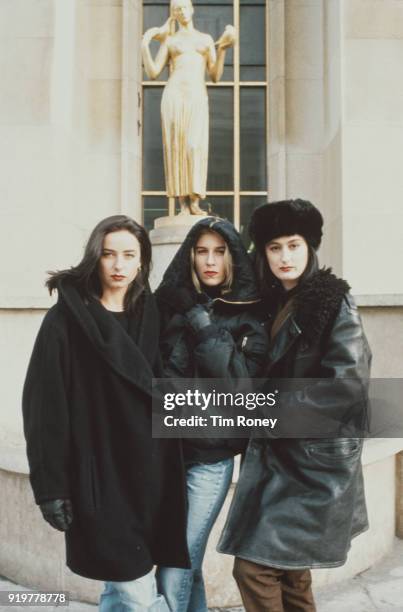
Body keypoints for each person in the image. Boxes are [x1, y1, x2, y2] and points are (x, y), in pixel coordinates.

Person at [22, 215, 189, 611]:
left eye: (129, 255)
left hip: (152, 475)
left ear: (142, 261)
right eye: (109, 255)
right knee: (136, 589)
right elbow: (43, 408)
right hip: (100, 478)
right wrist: (51, 488)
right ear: (94, 259)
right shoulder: (65, 321)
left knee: (121, 590)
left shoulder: (153, 314)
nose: (118, 265)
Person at [217, 200, 371, 612]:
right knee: (289, 570)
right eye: (274, 248)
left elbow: (347, 387)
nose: (285, 257)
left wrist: (270, 411)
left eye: (294, 245)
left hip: (312, 460)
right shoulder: (272, 303)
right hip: (284, 457)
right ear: (263, 254)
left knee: (254, 569)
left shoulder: (333, 301)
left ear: (310, 247)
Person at [154, 217, 268, 611]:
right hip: (165, 454)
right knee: (187, 563)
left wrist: (201, 322)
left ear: (233, 257)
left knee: (176, 561)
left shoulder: (251, 314)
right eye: (201, 251)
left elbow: (242, 388)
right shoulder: (166, 305)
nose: (210, 260)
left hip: (210, 458)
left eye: (219, 251)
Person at [142, 0, 235, 214]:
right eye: (177, 9)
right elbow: (154, 72)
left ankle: (195, 200)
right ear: (173, 14)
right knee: (178, 147)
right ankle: (183, 204)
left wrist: (223, 50)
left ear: (192, 9)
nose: (182, 12)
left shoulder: (205, 40)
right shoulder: (171, 41)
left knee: (194, 146)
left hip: (196, 96)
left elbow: (215, 76)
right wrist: (145, 44)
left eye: (184, 7)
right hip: (174, 96)